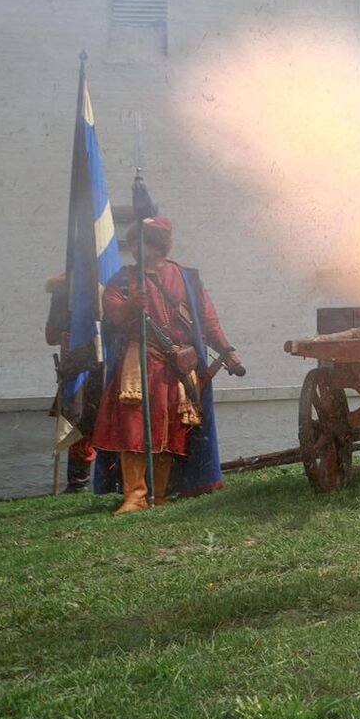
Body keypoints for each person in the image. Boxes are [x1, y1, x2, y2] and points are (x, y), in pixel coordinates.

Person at [94, 217, 243, 513]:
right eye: (134, 242)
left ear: (158, 245)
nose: (136, 248)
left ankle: (160, 493)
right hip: (140, 359)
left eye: (143, 241)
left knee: (171, 427)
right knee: (133, 426)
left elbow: (207, 320)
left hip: (178, 362)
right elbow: (110, 313)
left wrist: (227, 351)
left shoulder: (187, 278)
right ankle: (135, 495)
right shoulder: (123, 279)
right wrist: (128, 305)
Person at [44, 272, 101, 493]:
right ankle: (78, 484)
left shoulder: (106, 286)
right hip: (77, 369)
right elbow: (51, 336)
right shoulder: (62, 292)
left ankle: (113, 479)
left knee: (106, 423)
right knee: (78, 423)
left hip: (105, 365)